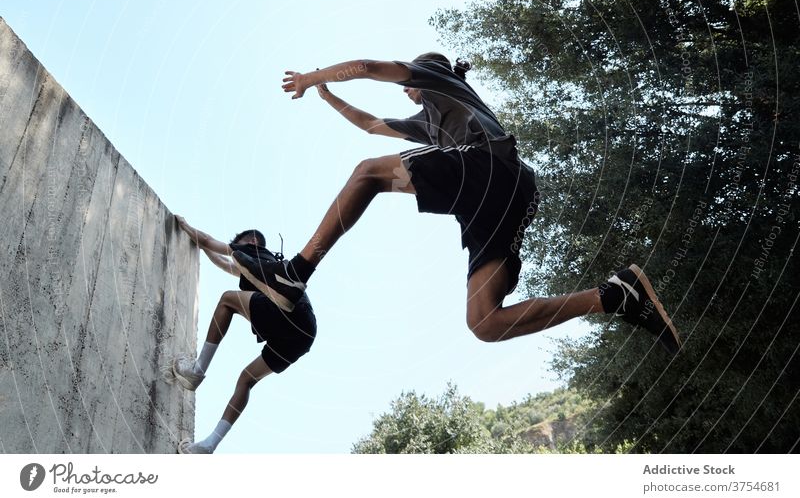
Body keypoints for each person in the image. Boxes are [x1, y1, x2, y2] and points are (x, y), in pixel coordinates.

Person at [231, 53, 680, 354]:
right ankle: (614, 296)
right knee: (485, 323)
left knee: (368, 172)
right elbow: (369, 124)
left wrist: (314, 77)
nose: (406, 91)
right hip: (502, 199)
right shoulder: (429, 124)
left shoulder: (439, 80)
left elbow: (369, 66)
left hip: (487, 165)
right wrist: (329, 97)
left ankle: (296, 273)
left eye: (409, 86)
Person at [167, 216, 316, 454]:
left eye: (238, 243)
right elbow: (221, 261)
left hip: (288, 312)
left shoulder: (254, 251)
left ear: (253, 241)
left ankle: (197, 370)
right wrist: (203, 245)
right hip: (303, 335)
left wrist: (184, 225)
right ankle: (208, 446)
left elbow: (209, 240)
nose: (235, 246)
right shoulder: (261, 267)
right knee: (246, 379)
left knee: (227, 300)